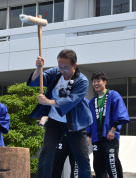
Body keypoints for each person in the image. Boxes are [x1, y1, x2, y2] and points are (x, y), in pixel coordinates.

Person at [27, 49, 93, 178]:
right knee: (46, 154)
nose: (62, 71)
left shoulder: (82, 81)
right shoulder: (56, 72)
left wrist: (48, 102)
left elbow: (71, 100)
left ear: (75, 66)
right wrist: (38, 68)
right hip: (55, 121)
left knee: (82, 159)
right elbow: (38, 80)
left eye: (66, 68)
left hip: (75, 123)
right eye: (60, 67)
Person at [86, 71, 129, 178]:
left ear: (105, 82)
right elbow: (89, 119)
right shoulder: (92, 101)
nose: (96, 83)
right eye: (94, 81)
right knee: (98, 166)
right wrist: (88, 135)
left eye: (98, 81)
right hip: (96, 138)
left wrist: (113, 129)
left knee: (112, 163)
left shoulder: (113, 95)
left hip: (110, 136)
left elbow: (120, 113)